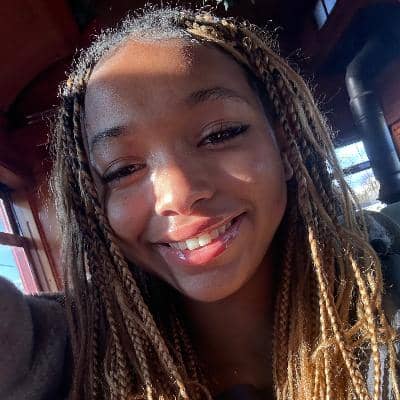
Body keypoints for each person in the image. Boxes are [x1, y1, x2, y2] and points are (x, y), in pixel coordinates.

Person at [0, 5, 399, 400]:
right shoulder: (65, 350)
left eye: (219, 134)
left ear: (284, 144)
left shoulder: (385, 272)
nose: (178, 194)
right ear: (94, 205)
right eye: (123, 170)